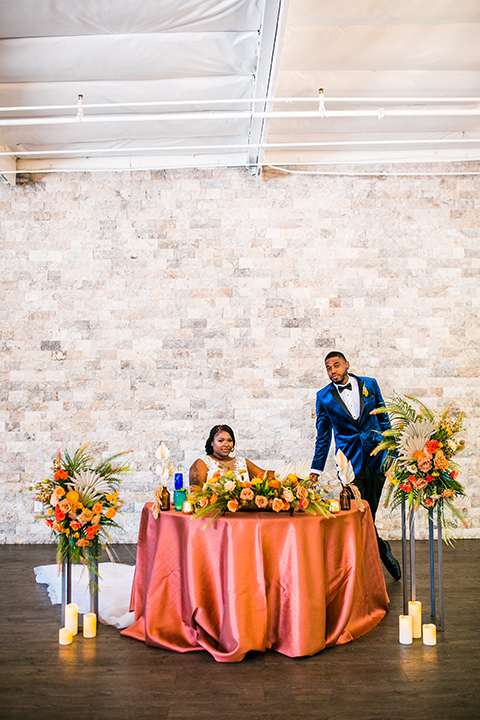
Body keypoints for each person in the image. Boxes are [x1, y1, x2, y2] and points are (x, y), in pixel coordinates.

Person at [310, 351, 401, 580]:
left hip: (377, 458)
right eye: (329, 368)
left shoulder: (370, 384)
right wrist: (315, 470)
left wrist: (392, 455)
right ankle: (381, 554)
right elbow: (323, 437)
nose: (333, 371)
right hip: (349, 465)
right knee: (357, 515)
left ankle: (370, 562)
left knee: (368, 514)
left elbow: (384, 420)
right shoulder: (323, 397)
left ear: (347, 365)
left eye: (337, 365)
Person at [189, 424, 275, 488]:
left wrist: (286, 472)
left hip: (241, 511)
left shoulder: (241, 462)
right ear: (212, 442)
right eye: (221, 441)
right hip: (213, 511)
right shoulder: (202, 463)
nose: (226, 444)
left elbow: (265, 476)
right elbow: (196, 496)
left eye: (229, 440)